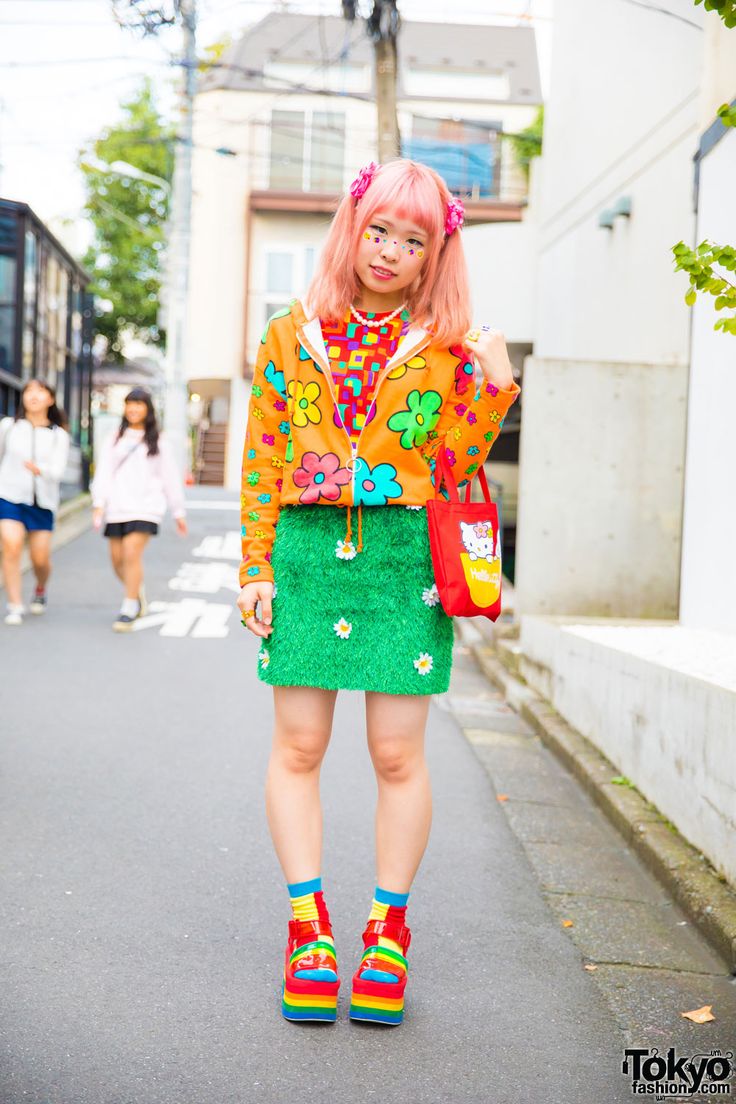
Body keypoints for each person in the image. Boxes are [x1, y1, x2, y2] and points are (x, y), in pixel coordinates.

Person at [237, 159, 521, 1026]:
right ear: (351, 228)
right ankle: (309, 929)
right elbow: (264, 455)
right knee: (299, 747)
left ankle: (388, 931)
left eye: (415, 238)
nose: (392, 251)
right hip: (308, 553)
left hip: (404, 558)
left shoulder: (445, 347)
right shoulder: (291, 335)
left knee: (397, 754)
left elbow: (454, 466)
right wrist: (254, 566)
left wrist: (495, 383)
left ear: (437, 252)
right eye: (379, 230)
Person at [91, 387, 187, 632]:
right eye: (129, 404)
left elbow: (170, 476)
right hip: (117, 507)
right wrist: (99, 504)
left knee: (131, 553)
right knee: (116, 560)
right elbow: (104, 472)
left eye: (139, 404)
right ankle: (136, 591)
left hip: (147, 507)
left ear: (148, 409)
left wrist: (178, 511)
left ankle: (129, 606)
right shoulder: (114, 438)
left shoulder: (158, 440)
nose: (133, 409)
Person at [0, 379, 70, 627]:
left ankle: (40, 587)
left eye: (40, 391)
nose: (34, 395)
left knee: (40, 559)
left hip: (42, 502)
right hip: (9, 496)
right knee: (11, 545)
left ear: (50, 399)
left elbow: (59, 471)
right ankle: (14, 604)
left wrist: (39, 470)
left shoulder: (58, 435)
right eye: (29, 390)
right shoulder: (8, 426)